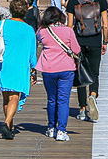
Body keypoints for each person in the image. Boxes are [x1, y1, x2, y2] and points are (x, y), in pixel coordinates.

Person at [0, 0, 37, 139]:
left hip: (3, 65)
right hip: (20, 66)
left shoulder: (2, 24)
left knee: (6, 97)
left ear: (11, 10)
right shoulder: (29, 30)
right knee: (14, 96)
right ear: (25, 11)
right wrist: (34, 70)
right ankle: (7, 124)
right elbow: (32, 54)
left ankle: (10, 128)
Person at [66, 0, 108, 122]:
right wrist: (104, 42)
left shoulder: (72, 1)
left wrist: (70, 46)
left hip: (79, 43)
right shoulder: (101, 0)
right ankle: (93, 95)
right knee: (94, 73)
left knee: (81, 75)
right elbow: (105, 25)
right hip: (95, 41)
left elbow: (70, 26)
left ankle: (83, 109)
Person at [35, 7, 80, 141]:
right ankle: (61, 130)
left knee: (51, 99)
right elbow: (76, 49)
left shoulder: (42, 31)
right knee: (63, 100)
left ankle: (51, 128)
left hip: (48, 68)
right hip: (66, 69)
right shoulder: (68, 31)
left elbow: (38, 40)